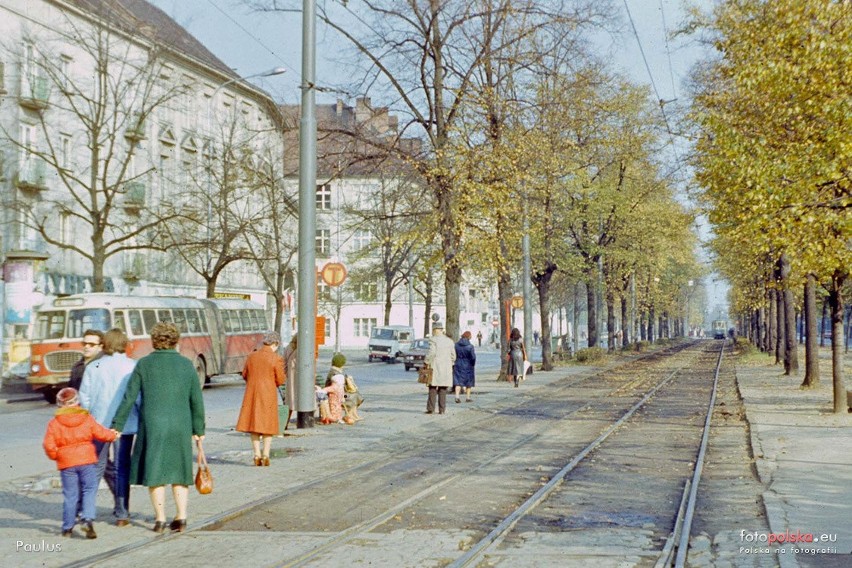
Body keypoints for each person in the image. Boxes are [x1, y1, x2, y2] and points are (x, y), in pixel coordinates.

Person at [111, 322, 205, 534]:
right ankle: (181, 517)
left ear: (154, 341)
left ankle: (160, 519)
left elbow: (129, 398)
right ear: (175, 340)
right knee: (180, 472)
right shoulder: (186, 365)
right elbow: (196, 401)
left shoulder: (143, 365)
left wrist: (117, 425)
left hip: (153, 425)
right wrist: (199, 430)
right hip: (181, 425)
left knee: (156, 473)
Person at [79, 328, 139, 527]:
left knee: (96, 467)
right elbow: (137, 398)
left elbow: (84, 398)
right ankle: (122, 513)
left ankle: (87, 512)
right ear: (125, 344)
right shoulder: (133, 366)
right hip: (125, 426)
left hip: (97, 425)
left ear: (104, 344)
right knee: (122, 468)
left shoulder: (93, 366)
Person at [43, 387, 118, 539]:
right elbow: (100, 433)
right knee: (89, 489)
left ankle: (67, 527)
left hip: (67, 464)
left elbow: (48, 445)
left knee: (70, 494)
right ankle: (87, 519)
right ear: (77, 401)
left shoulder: (54, 423)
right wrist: (113, 435)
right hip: (87, 460)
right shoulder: (86, 418)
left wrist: (57, 456)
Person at [236, 332, 286, 466]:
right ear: (275, 344)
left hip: (252, 393)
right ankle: (266, 454)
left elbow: (245, 374)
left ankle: (257, 454)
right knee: (268, 426)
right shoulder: (276, 358)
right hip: (268, 394)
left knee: (254, 425)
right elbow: (281, 379)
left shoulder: (252, 356)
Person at [424, 322, 456, 414]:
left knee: (432, 388)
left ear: (435, 330)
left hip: (435, 367)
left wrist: (426, 361)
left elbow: (432, 353)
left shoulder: (433, 340)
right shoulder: (450, 341)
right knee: (443, 389)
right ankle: (442, 410)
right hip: (446, 368)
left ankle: (431, 408)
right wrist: (450, 363)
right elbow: (453, 356)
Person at [453, 331, 476, 403]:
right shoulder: (470, 346)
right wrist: (472, 364)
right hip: (468, 364)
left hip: (458, 363)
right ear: (469, 336)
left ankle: (457, 396)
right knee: (468, 382)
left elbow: (454, 355)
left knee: (458, 381)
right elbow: (473, 357)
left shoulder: (456, 345)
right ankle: (468, 397)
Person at [281, 336, 298, 429]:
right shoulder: (303, 348)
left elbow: (283, 362)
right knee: (300, 400)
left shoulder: (288, 347)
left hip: (290, 378)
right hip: (300, 379)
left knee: (289, 402)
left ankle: (284, 424)